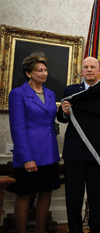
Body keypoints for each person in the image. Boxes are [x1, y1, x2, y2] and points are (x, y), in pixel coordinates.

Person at [8, 52, 60, 233]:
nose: (44, 73)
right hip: (29, 154)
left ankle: (40, 230)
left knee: (46, 193)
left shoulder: (51, 94)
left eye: (45, 70)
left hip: (50, 153)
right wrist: (27, 158)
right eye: (39, 70)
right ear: (29, 73)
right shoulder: (17, 94)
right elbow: (17, 128)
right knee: (24, 194)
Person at [57, 57, 100, 233]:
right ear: (81, 71)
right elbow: (61, 118)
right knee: (73, 197)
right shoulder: (71, 90)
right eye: (85, 67)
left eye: (93, 67)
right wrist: (64, 112)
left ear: (99, 69)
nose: (89, 70)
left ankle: (95, 229)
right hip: (74, 152)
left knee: (96, 197)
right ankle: (75, 230)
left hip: (98, 153)